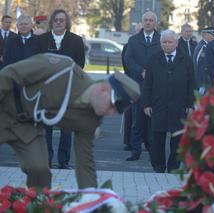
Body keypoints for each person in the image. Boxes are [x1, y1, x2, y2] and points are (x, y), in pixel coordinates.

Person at [0, 53, 140, 188]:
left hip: (27, 127)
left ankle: (37, 205)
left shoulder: (92, 120)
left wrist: (91, 198)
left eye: (117, 112)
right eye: (112, 106)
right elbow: (10, 74)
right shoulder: (62, 69)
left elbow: (85, 162)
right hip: (4, 109)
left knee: (40, 171)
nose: (111, 113)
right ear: (103, 89)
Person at [38, 9, 85, 169]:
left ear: (67, 23)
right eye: (56, 20)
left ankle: (64, 161)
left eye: (62, 20)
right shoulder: (42, 40)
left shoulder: (76, 41)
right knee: (46, 128)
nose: (59, 22)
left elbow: (80, 65)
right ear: (52, 22)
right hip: (47, 90)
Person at [142, 30, 195, 173]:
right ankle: (158, 167)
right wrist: (146, 104)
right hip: (158, 105)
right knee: (157, 140)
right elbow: (147, 84)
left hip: (179, 106)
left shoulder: (186, 60)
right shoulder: (154, 60)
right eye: (164, 42)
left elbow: (191, 84)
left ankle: (173, 167)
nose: (167, 45)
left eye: (170, 42)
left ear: (176, 43)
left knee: (177, 140)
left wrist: (190, 104)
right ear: (160, 43)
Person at [124, 11, 161, 161]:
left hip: (156, 86)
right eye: (146, 20)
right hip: (137, 84)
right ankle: (135, 150)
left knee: (153, 120)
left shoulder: (161, 40)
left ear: (155, 23)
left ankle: (154, 150)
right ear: (142, 22)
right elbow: (128, 59)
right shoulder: (133, 40)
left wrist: (151, 73)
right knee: (137, 120)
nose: (148, 22)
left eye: (151, 20)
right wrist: (141, 71)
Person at [122, 22, 143, 151]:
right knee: (131, 114)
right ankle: (129, 141)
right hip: (131, 80)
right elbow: (126, 62)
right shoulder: (130, 44)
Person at [193, 27, 214, 94]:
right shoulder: (203, 47)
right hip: (203, 82)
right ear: (205, 34)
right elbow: (198, 66)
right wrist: (202, 82)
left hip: (207, 81)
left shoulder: (208, 46)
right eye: (213, 35)